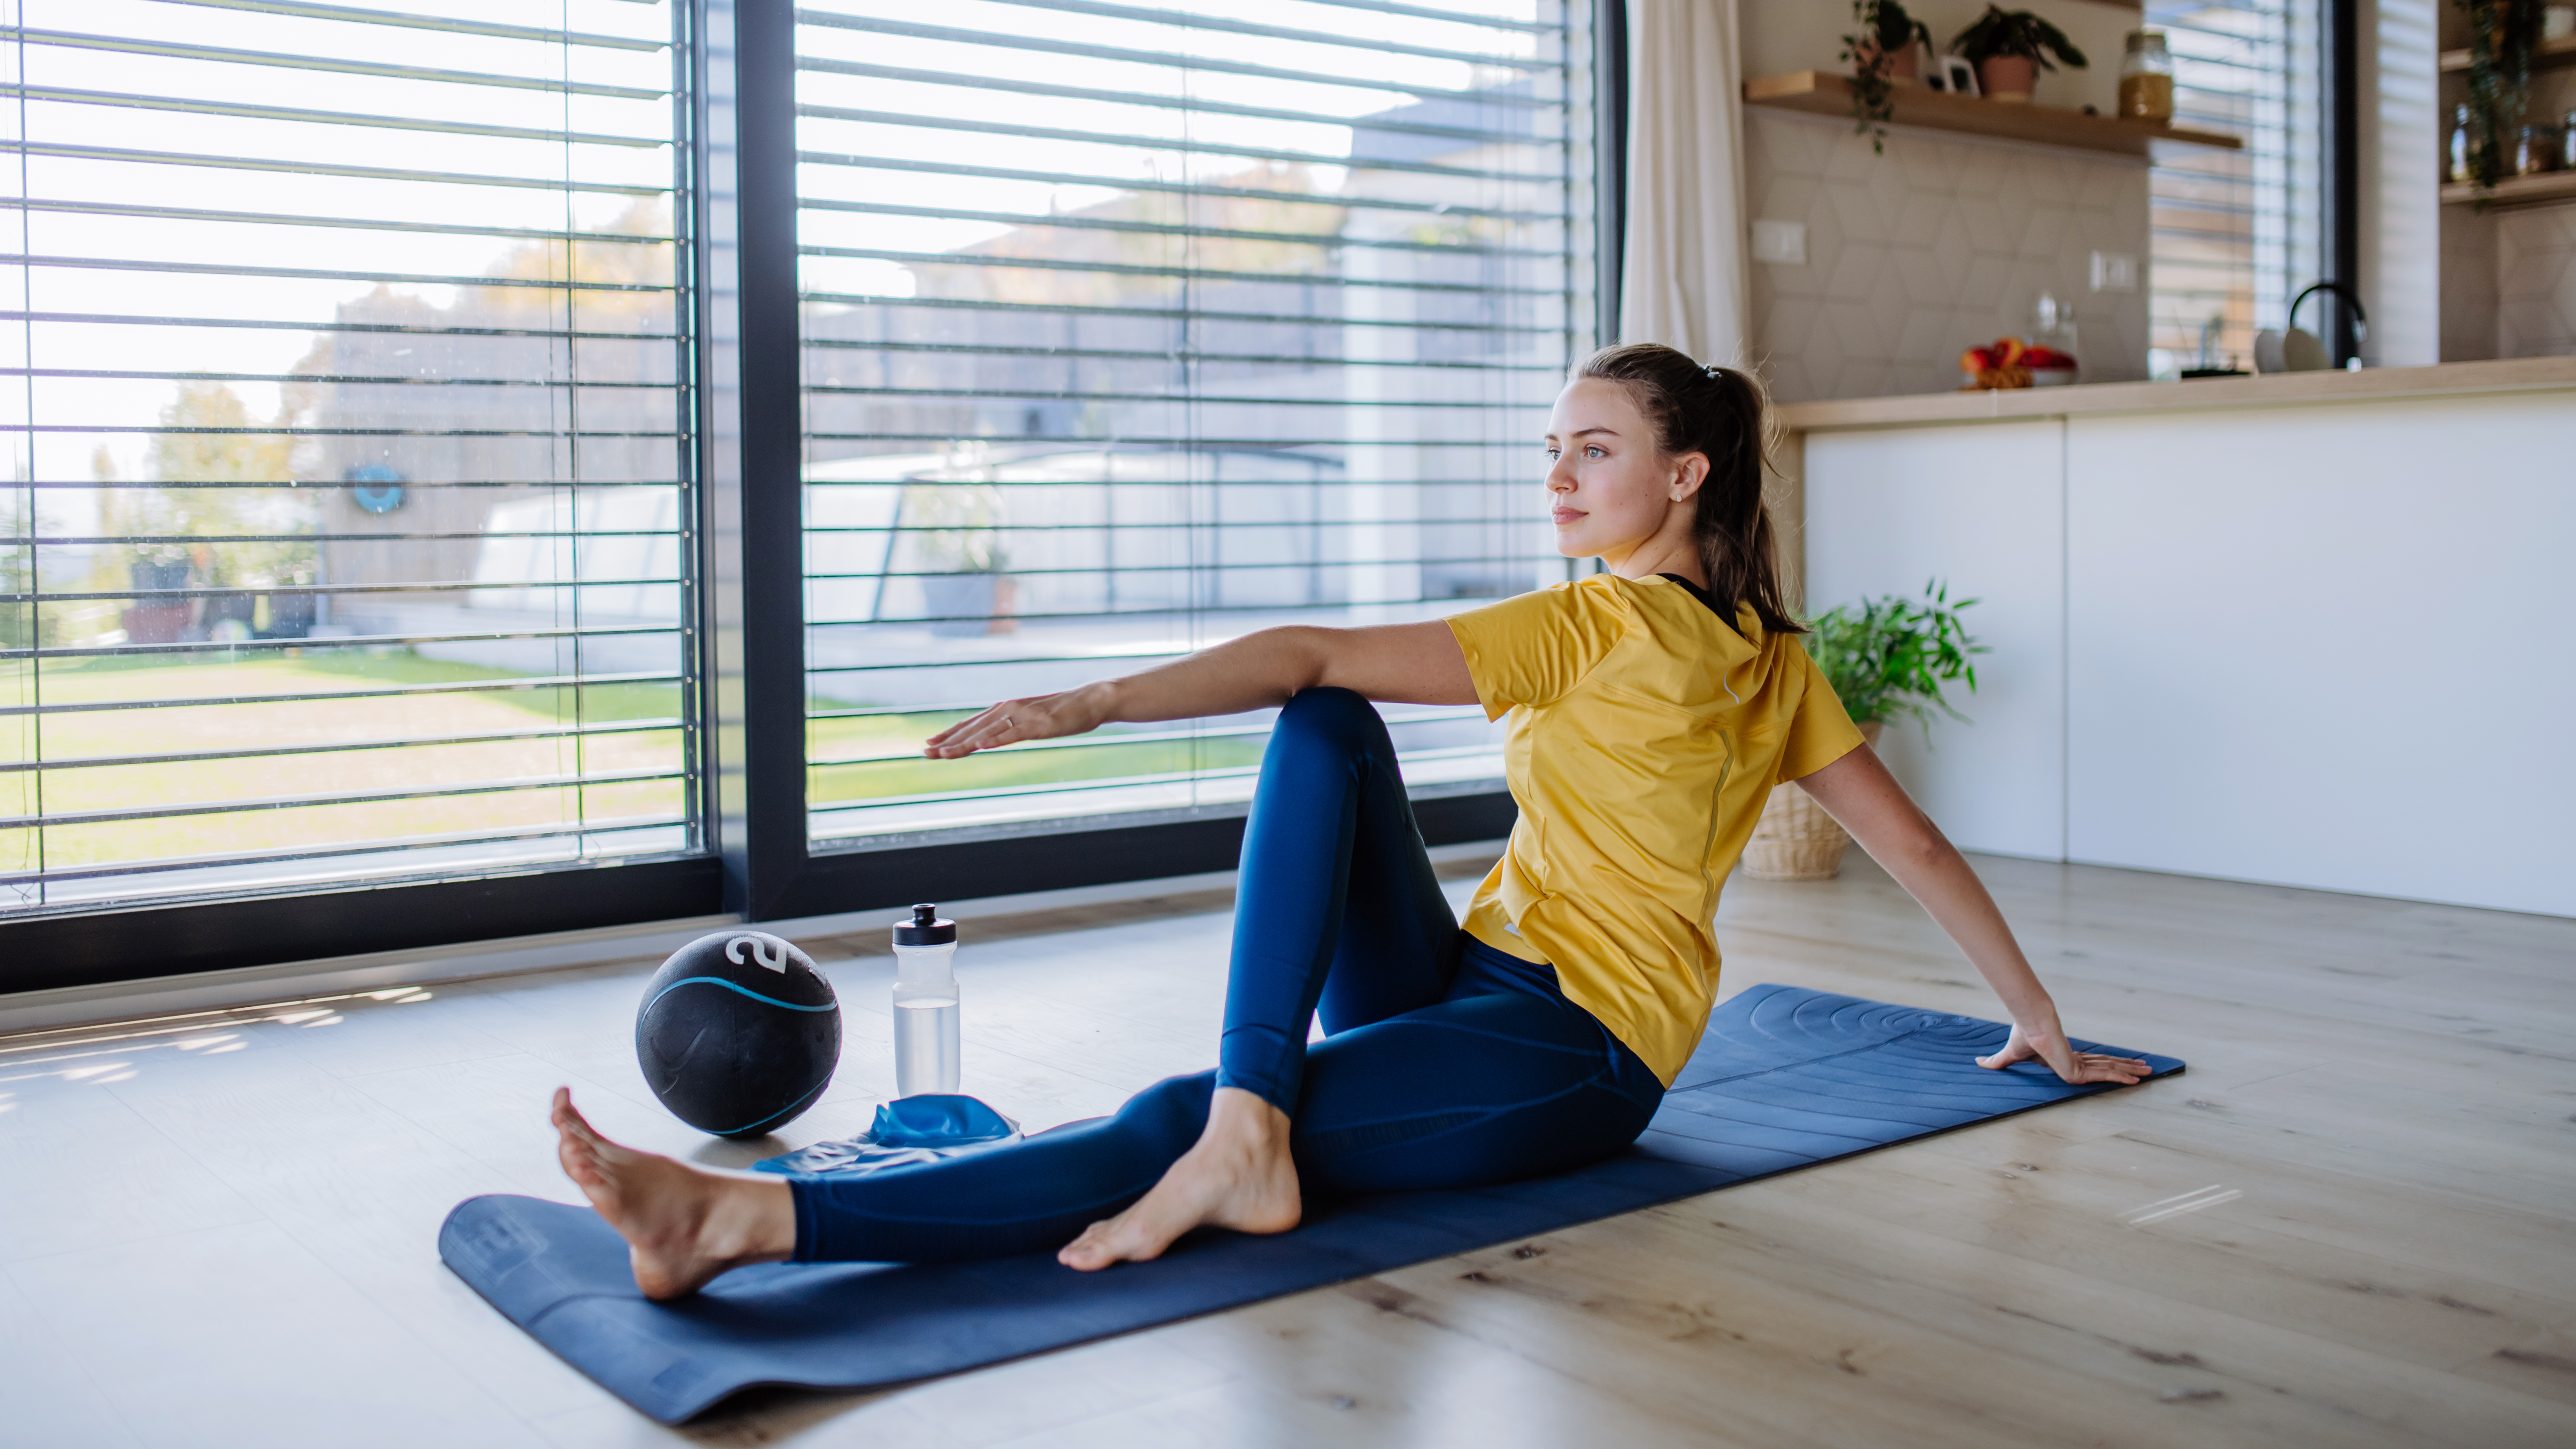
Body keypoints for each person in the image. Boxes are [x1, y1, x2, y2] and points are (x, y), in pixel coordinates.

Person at [550, 343, 2149, 1300]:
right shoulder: (1768, 657)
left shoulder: (1596, 627)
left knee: (1188, 1092)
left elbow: (1309, 649)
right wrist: (2038, 1023)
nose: (1562, 477)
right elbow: (1917, 846)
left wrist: (1090, 703)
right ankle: (1257, 1122)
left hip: (1578, 1059)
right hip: (1472, 977)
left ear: (1686, 474)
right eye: (1554, 452)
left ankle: (751, 1217)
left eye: (1595, 451)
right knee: (1325, 731)